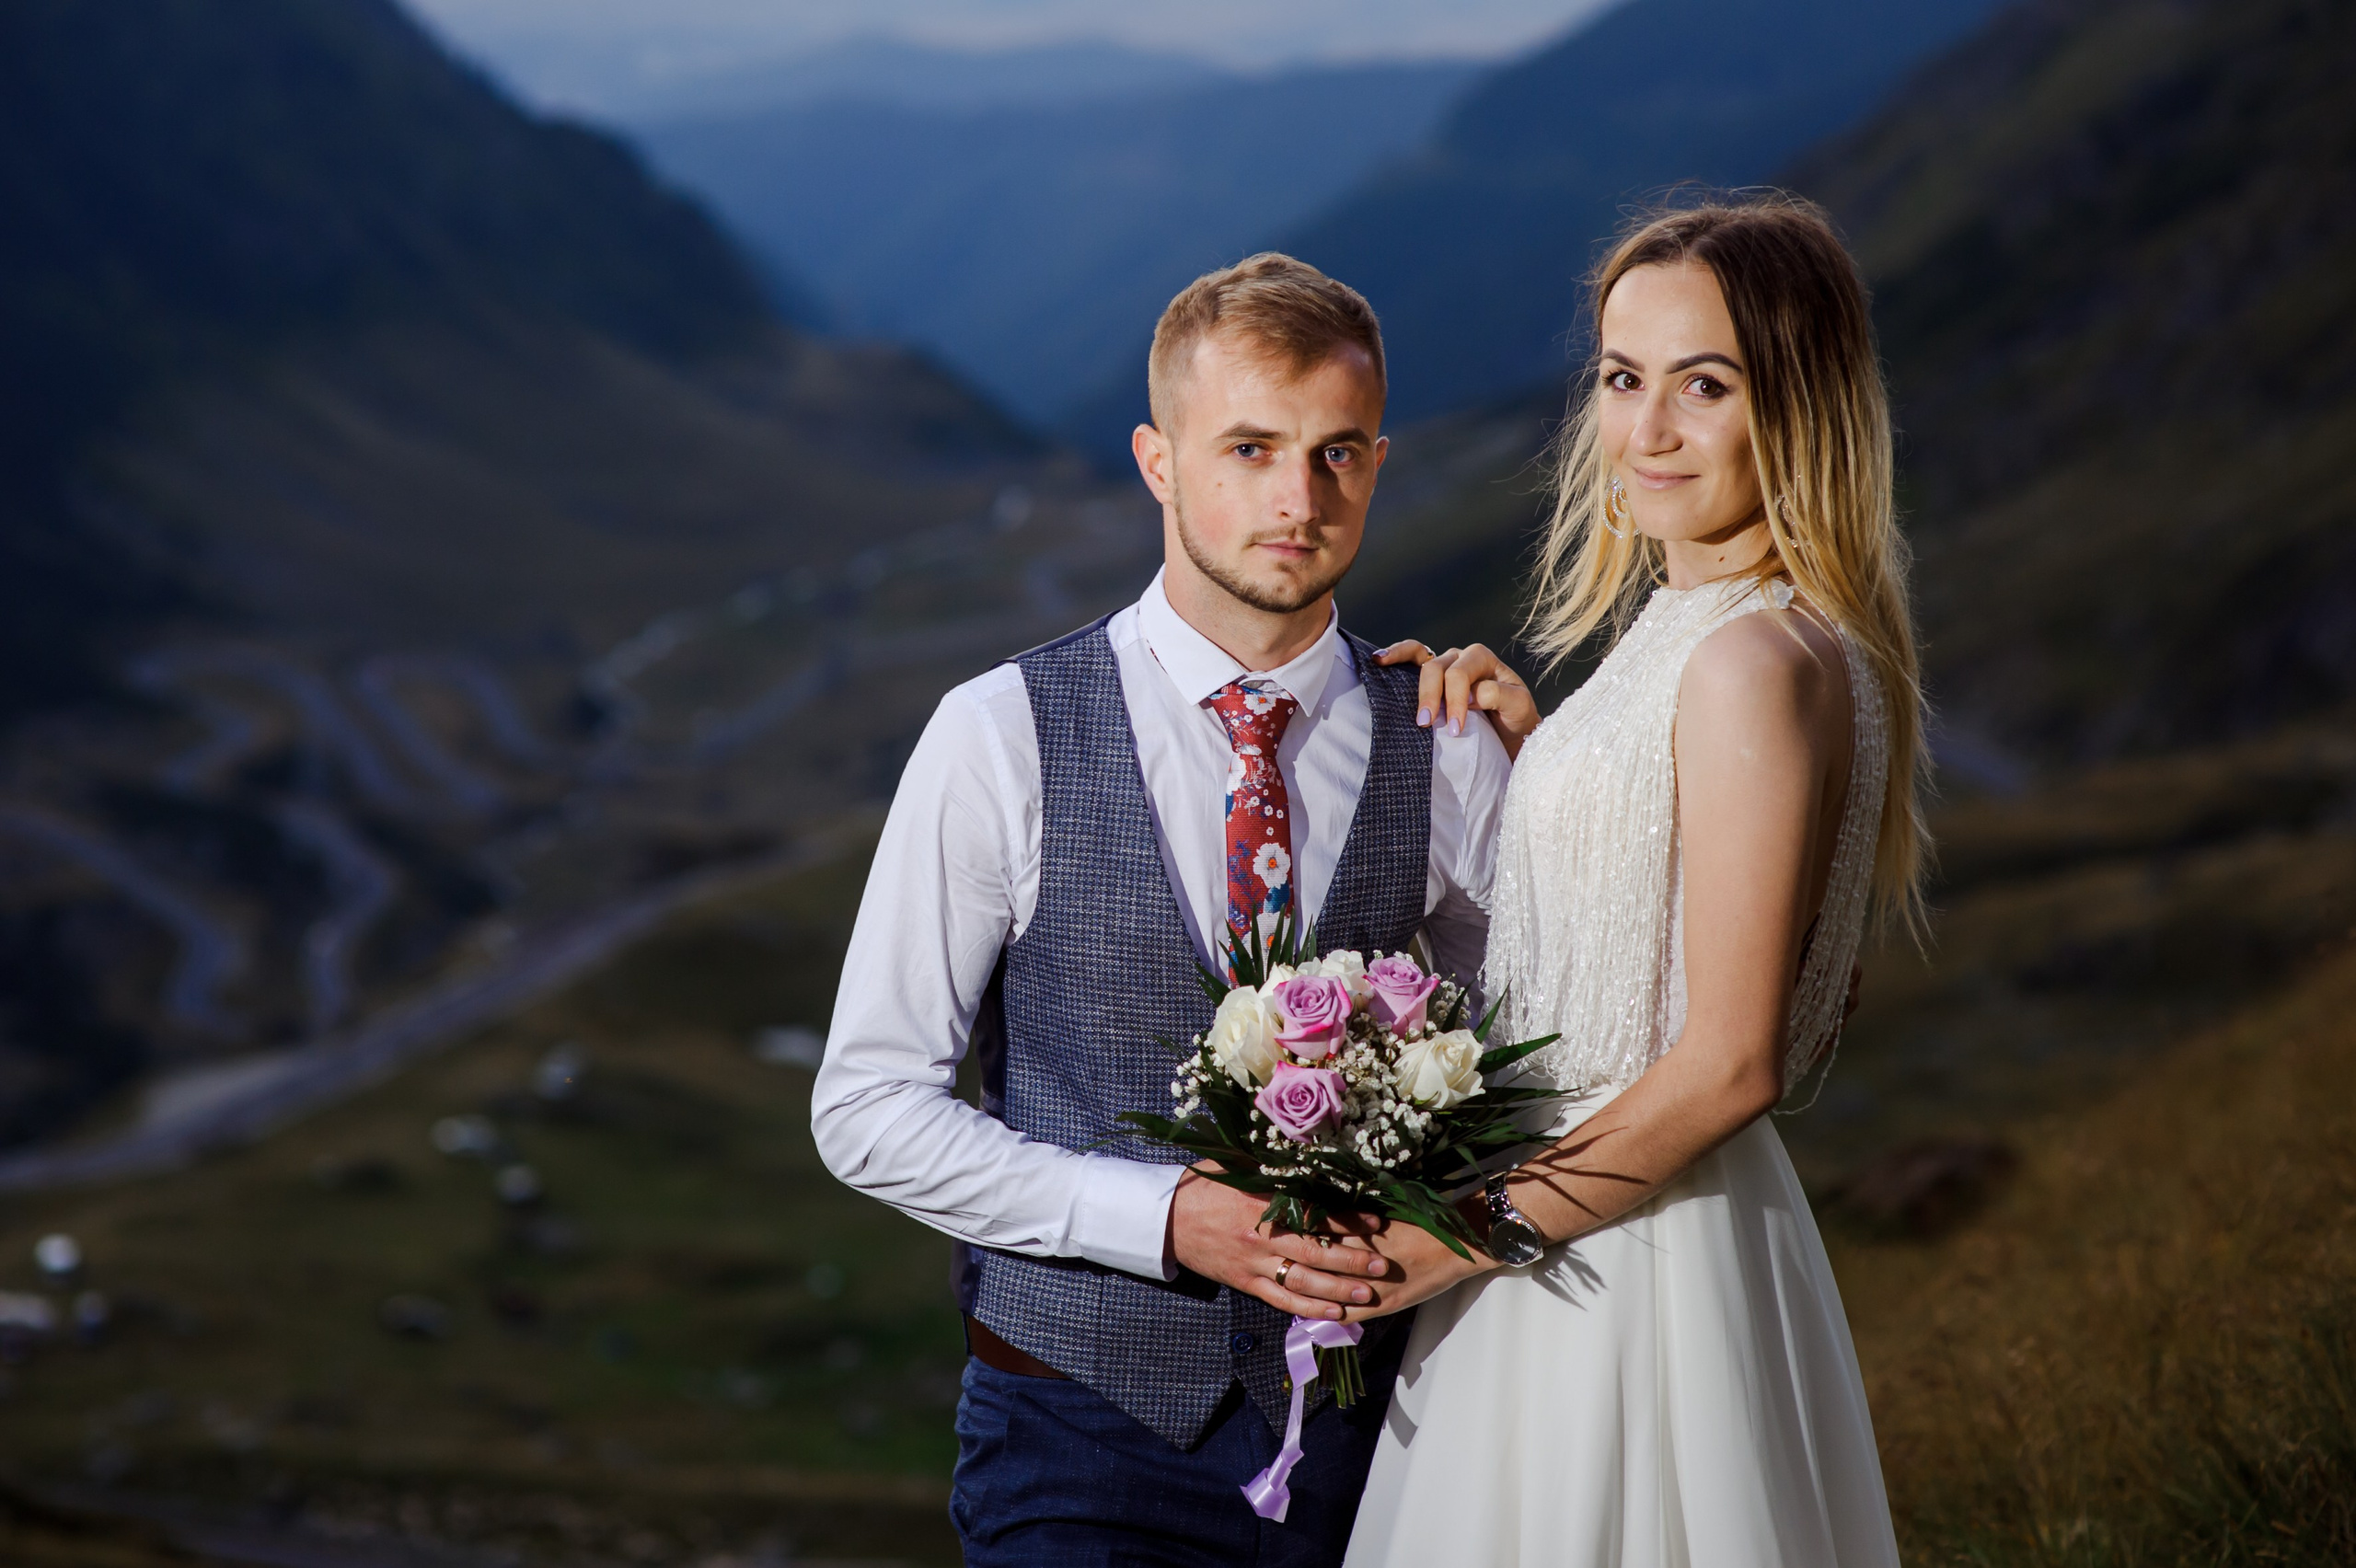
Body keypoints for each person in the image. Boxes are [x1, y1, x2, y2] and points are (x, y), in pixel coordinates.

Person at [810, 253, 1512, 1566]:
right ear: (1158, 461)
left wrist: (1557, 772)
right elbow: (863, 1109)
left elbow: (1552, 1062)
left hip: (1385, 1437)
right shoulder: (998, 734)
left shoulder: (1454, 746)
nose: (1298, 500)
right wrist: (1167, 1217)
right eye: (1249, 447)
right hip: (1076, 1433)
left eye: (1338, 454)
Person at [1342, 196, 1923, 1564]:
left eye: (1703, 386)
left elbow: (1736, 1063)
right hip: (1631, 1228)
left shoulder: (1746, 662)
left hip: (1614, 1264)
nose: (1646, 430)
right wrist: (1550, 767)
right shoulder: (1771, 637)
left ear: (1797, 407)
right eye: (1622, 378)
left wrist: (1453, 1234)